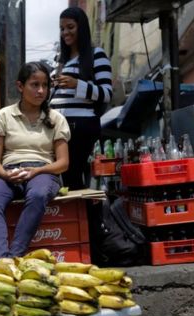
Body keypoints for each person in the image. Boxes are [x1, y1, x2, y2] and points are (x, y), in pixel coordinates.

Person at [0, 61, 70, 262]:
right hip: (10, 172)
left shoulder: (56, 118)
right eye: (35, 85)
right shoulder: (3, 116)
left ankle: (15, 256)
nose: (41, 91)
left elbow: (63, 163)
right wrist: (5, 174)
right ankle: (0, 260)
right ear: (20, 86)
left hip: (44, 172)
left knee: (38, 194)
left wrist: (36, 172)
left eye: (45, 85)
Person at [50, 6, 113, 190]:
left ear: (81, 27)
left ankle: (89, 218)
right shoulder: (61, 60)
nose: (65, 32)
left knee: (75, 180)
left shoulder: (96, 55)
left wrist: (76, 84)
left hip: (81, 126)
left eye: (70, 27)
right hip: (58, 126)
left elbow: (107, 93)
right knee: (66, 181)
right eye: (62, 28)